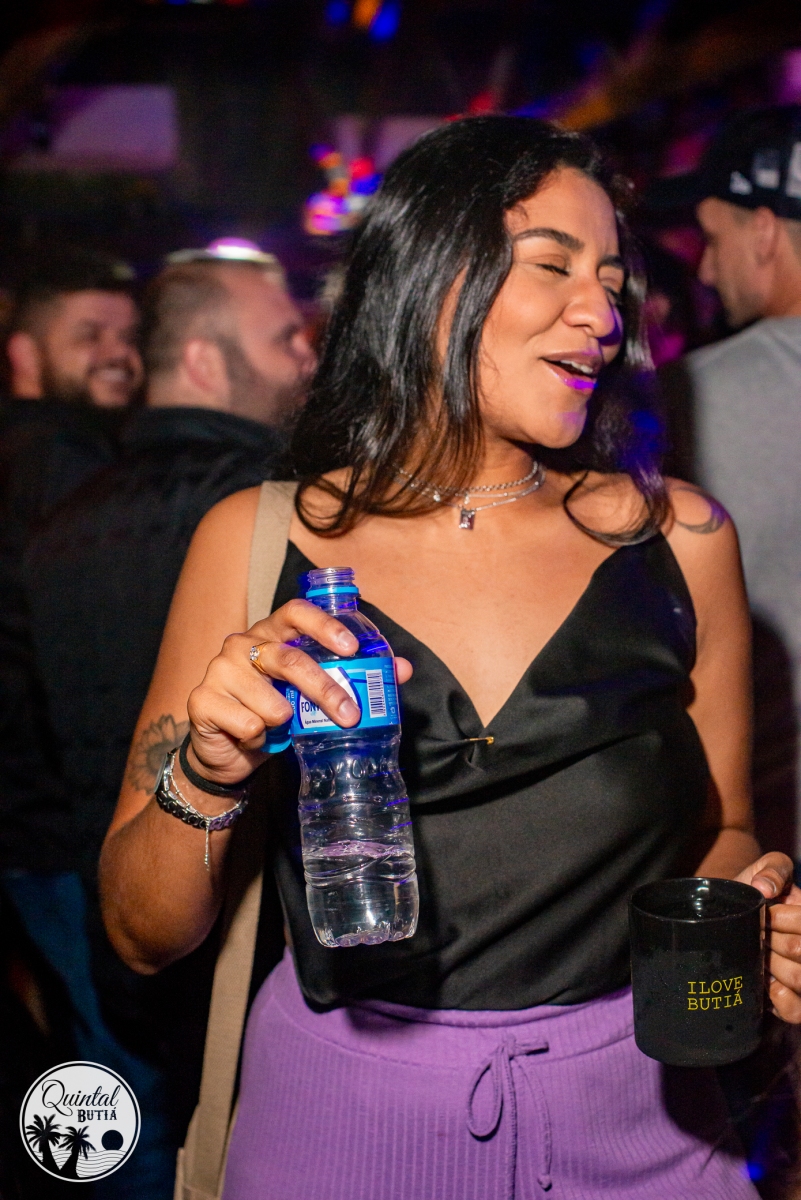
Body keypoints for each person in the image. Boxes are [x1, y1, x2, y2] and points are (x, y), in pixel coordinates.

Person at [100, 117, 801, 1200]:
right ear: (429, 276)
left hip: (641, 1116)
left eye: (614, 280)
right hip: (341, 1121)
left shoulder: (681, 540)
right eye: (553, 266)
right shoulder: (256, 541)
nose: (603, 313)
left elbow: (725, 825)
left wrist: (740, 920)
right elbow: (140, 935)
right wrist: (209, 768)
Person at [4, 249, 315, 1199]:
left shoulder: (71, 509)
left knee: (121, 1132)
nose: (309, 356)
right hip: (243, 930)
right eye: (287, 338)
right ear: (207, 363)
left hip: (100, 894)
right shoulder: (276, 511)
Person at [659, 106, 801, 859]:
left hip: (770, 841)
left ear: (765, 231)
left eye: (712, 241)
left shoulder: (686, 399)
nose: (707, 272)